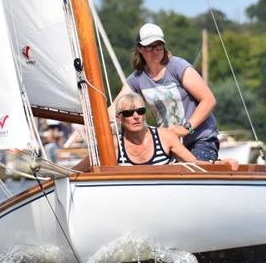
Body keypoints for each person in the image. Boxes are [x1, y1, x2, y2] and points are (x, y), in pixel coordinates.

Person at [113, 23, 220, 161]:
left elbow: (209, 100)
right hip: (169, 144)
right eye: (150, 46)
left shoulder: (178, 67)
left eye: (158, 45)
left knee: (191, 171)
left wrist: (185, 129)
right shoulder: (137, 79)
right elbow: (116, 108)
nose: (155, 51)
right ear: (140, 49)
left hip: (199, 140)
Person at [75, 94, 237, 170]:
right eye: (129, 113)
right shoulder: (112, 145)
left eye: (140, 111)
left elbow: (193, 163)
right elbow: (77, 171)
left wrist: (217, 163)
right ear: (119, 118)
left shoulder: (164, 137)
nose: (136, 116)